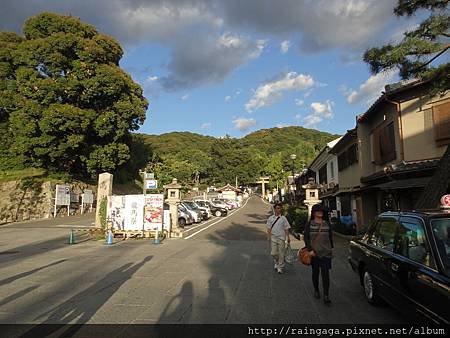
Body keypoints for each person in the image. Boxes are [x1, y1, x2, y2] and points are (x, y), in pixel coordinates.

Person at [304, 204, 334, 304]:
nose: (320, 212)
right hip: (314, 253)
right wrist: (309, 250)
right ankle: (316, 290)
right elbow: (306, 238)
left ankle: (326, 295)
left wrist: (332, 248)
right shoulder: (309, 223)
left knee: (325, 274)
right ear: (314, 213)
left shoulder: (327, 224)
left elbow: (330, 237)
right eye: (317, 211)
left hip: (326, 253)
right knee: (315, 272)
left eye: (321, 211)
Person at [267, 202, 291, 274]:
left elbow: (286, 228)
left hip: (281, 238)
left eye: (280, 208)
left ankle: (280, 267)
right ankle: (277, 262)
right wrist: (269, 236)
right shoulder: (270, 218)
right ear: (274, 209)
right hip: (273, 237)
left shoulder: (283, 218)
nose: (279, 210)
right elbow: (268, 228)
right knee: (273, 253)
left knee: (281, 253)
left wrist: (288, 237)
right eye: (277, 208)